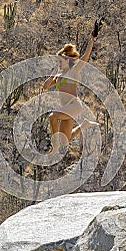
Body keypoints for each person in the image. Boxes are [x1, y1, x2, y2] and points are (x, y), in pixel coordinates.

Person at [43, 19, 103, 156]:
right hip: (66, 108)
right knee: (67, 140)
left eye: (60, 61)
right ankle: (84, 124)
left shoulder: (73, 72)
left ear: (68, 60)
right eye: (57, 61)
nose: (58, 63)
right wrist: (53, 73)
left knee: (52, 117)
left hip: (74, 105)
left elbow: (85, 57)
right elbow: (45, 87)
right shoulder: (57, 76)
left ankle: (55, 145)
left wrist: (91, 40)